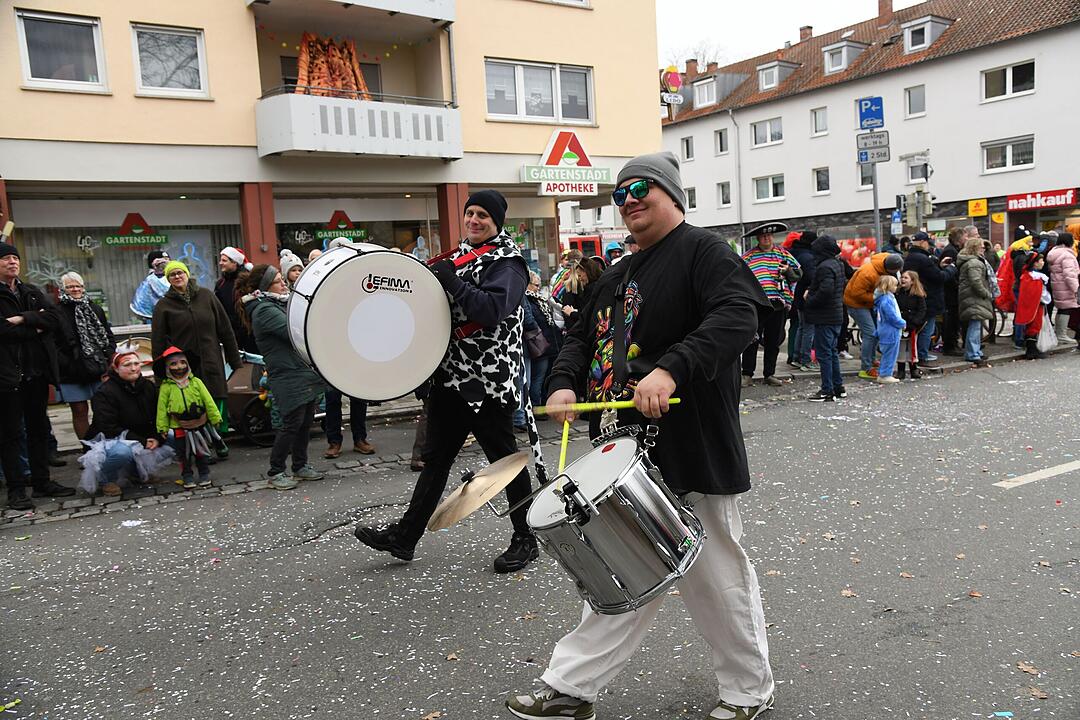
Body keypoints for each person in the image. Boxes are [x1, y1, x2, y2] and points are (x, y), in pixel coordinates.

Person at [507, 152, 775, 720]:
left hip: (691, 442)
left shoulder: (705, 252)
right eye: (620, 193)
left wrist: (673, 367)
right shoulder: (617, 273)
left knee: (714, 575)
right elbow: (581, 339)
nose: (628, 200)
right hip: (623, 451)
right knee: (619, 568)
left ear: (672, 194)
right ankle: (572, 687)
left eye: (641, 188)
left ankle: (748, 690)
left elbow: (739, 316)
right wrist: (561, 382)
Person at [353, 189, 539, 573]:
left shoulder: (508, 262)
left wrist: (452, 282)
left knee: (505, 462)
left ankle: (526, 537)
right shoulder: (458, 256)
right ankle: (405, 537)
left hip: (487, 384)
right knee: (436, 460)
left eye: (482, 215)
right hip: (451, 379)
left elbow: (492, 310)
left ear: (496, 221)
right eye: (470, 213)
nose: (474, 220)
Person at [238, 265, 327, 490]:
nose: (284, 284)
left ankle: (300, 465)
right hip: (287, 374)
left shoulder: (276, 303)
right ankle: (276, 471)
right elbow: (294, 332)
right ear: (266, 286)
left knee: (305, 421)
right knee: (292, 423)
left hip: (298, 371)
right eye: (278, 281)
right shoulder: (264, 310)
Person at [0, 242, 73, 510]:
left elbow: (55, 320)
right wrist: (36, 324)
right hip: (8, 377)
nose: (13, 262)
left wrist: (22, 319)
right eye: (6, 258)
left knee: (39, 430)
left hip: (37, 373)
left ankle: (42, 482)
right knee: (10, 435)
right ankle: (17, 490)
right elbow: (2, 332)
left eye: (15, 258)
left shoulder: (30, 291)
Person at [151, 259, 242, 454]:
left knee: (215, 398)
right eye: (172, 275)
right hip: (183, 366)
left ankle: (217, 437)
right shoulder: (163, 306)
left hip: (211, 358)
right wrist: (160, 375)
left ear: (187, 274)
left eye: (180, 273)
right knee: (193, 405)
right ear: (168, 279)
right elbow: (158, 341)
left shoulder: (207, 296)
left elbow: (225, 330)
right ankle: (203, 447)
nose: (177, 277)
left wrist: (235, 360)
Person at [81, 347, 172, 496]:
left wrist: (156, 436)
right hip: (112, 438)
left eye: (136, 364)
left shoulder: (148, 386)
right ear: (116, 369)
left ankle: (136, 473)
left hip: (142, 435)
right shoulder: (105, 392)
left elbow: (158, 415)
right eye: (127, 365)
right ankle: (106, 479)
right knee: (123, 452)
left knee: (173, 436)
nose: (133, 368)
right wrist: (142, 441)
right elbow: (108, 426)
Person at [55, 271, 115, 439]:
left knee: (102, 409)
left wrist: (108, 356)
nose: (75, 289)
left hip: (98, 368)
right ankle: (87, 448)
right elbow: (53, 344)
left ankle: (104, 444)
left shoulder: (95, 308)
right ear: (63, 289)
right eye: (70, 287)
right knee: (80, 411)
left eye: (78, 286)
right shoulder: (56, 312)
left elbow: (108, 335)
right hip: (71, 372)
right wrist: (67, 364)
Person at [740, 221, 801, 387]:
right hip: (757, 306)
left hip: (778, 305)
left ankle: (770, 374)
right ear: (758, 239)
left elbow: (798, 274)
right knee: (751, 340)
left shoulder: (783, 254)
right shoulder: (748, 257)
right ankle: (747, 374)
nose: (766, 238)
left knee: (773, 341)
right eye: (763, 236)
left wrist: (788, 271)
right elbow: (738, 277)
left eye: (768, 235)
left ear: (772, 237)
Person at [155, 346, 220, 489]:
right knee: (183, 453)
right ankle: (187, 475)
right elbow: (161, 409)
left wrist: (215, 417)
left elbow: (208, 400)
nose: (179, 367)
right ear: (167, 368)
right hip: (179, 426)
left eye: (182, 362)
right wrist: (162, 427)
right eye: (173, 364)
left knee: (200, 451)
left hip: (198, 424)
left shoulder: (196, 382)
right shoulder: (166, 387)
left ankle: (204, 473)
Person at [844, 252, 905, 379]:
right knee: (870, 333)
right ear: (889, 270)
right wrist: (877, 298)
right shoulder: (868, 273)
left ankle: (871, 360)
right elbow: (856, 294)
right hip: (856, 304)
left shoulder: (888, 262)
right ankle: (866, 368)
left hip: (870, 303)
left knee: (876, 332)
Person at [804, 235, 846, 402]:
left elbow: (826, 291)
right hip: (835, 315)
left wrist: (809, 298)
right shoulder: (837, 264)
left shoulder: (824, 267)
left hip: (825, 316)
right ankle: (838, 387)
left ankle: (827, 390)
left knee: (824, 355)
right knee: (832, 352)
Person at [903, 232, 954, 364]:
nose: (928, 246)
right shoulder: (923, 259)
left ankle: (918, 354)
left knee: (920, 328)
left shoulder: (910, 257)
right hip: (929, 298)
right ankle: (922, 355)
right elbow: (938, 277)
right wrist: (950, 269)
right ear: (922, 242)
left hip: (917, 296)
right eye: (927, 243)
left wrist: (939, 266)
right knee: (927, 328)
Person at [525, 270, 560, 408]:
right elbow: (532, 322)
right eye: (536, 285)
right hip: (539, 345)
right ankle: (536, 406)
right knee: (538, 378)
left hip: (547, 345)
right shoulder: (528, 300)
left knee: (543, 376)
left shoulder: (538, 300)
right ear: (528, 284)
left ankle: (542, 403)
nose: (538, 288)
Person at [957, 237, 994, 367]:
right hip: (974, 297)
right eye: (981, 246)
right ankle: (973, 353)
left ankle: (975, 351)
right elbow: (976, 282)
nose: (983, 249)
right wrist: (986, 293)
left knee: (976, 325)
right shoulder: (974, 263)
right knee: (975, 326)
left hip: (970, 296)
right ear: (975, 248)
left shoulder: (970, 261)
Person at [216, 246, 256, 353]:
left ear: (234, 262)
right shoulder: (220, 284)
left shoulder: (248, 281)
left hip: (250, 333)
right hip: (231, 333)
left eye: (224, 260)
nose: (220, 263)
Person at [788, 230, 817, 370]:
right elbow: (812, 277)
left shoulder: (795, 252)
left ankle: (796, 357)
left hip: (797, 295)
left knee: (801, 327)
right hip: (806, 296)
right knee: (808, 329)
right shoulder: (808, 257)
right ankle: (805, 359)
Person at [1016, 252, 1050, 360]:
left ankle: (1033, 349)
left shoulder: (1030, 276)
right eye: (1041, 261)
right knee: (1034, 325)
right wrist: (1044, 298)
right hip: (1035, 305)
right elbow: (1037, 292)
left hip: (1034, 304)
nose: (1043, 262)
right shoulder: (1031, 277)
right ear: (1035, 263)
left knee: (1035, 325)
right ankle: (1031, 350)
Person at [1046, 233, 1079, 344]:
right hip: (1066, 286)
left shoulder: (1054, 253)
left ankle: (1059, 333)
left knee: (1061, 309)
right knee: (1066, 309)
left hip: (1057, 285)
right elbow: (1069, 274)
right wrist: (1076, 289)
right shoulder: (1067, 255)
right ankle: (1062, 335)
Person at [872, 276, 905, 384]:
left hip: (884, 329)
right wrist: (902, 323)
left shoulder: (882, 299)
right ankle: (885, 375)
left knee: (887, 353)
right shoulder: (887, 300)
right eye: (895, 285)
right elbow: (891, 316)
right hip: (890, 330)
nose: (896, 287)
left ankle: (883, 373)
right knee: (890, 354)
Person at [939, 228, 966, 356]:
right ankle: (950, 346)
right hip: (950, 293)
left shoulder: (954, 249)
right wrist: (957, 285)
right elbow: (949, 272)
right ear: (959, 238)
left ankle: (953, 344)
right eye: (965, 237)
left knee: (954, 319)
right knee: (951, 320)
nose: (966, 239)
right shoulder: (950, 251)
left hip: (952, 291)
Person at [895, 271, 927, 379]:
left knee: (912, 347)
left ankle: (914, 369)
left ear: (912, 281)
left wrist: (915, 322)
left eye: (906, 278)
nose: (902, 279)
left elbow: (922, 310)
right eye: (902, 277)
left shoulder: (918, 295)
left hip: (913, 325)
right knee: (901, 347)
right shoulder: (897, 293)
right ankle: (901, 370)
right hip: (901, 324)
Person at [130, 250, 170, 322]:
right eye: (162, 263)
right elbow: (165, 291)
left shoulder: (167, 277)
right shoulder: (152, 279)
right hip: (152, 316)